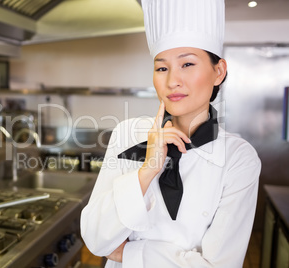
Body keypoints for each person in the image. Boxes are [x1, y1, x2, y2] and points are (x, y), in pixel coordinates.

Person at [80, 0, 261, 267]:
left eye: (187, 64)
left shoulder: (238, 157)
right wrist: (147, 170)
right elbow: (96, 241)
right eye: (161, 68)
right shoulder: (128, 133)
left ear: (218, 71)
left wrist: (130, 254)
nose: (172, 80)